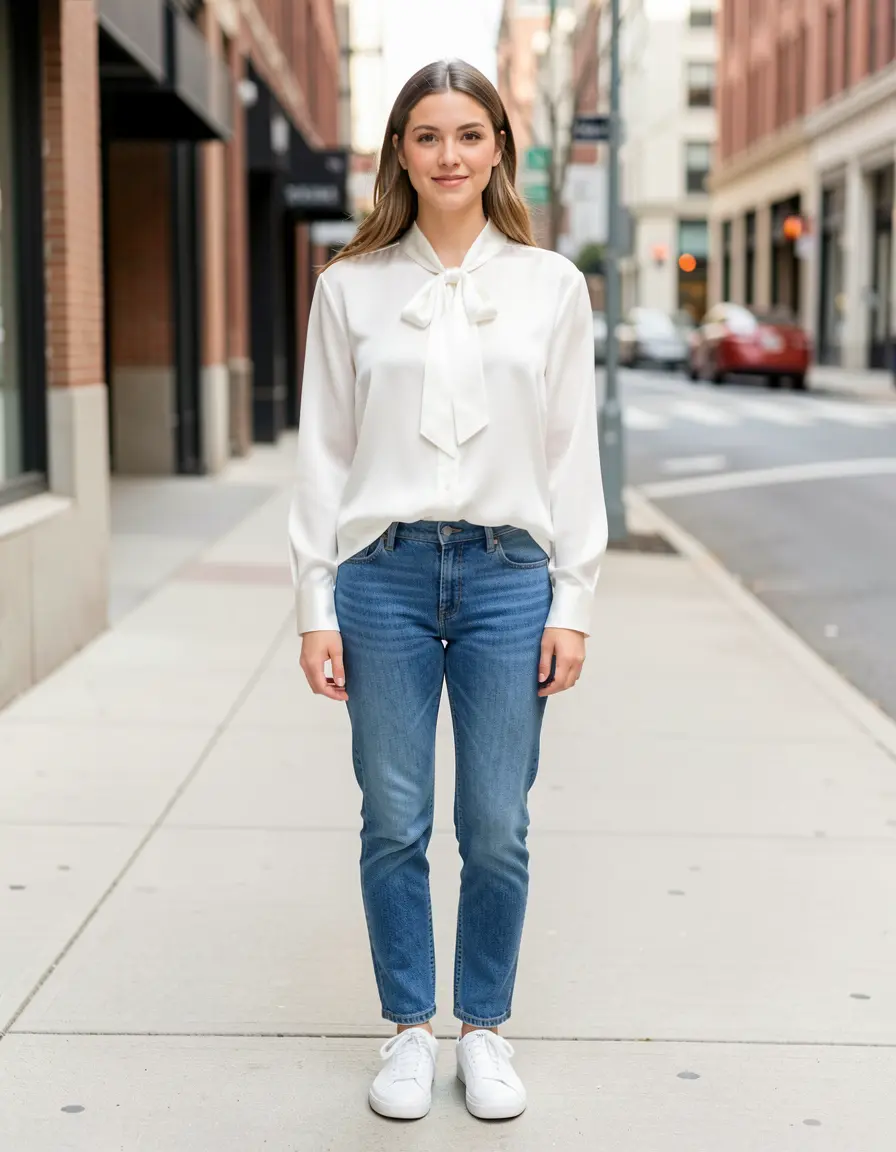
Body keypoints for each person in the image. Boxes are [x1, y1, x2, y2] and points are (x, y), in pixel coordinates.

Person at [288, 58, 608, 1121]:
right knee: (392, 814)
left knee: (495, 822)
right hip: (379, 575)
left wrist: (573, 600)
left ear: (499, 149)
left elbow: (569, 458)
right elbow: (321, 457)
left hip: (509, 576)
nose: (448, 155)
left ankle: (483, 1028)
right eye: (427, 136)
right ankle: (407, 1030)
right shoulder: (350, 288)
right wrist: (313, 602)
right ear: (398, 153)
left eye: (469, 134)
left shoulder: (551, 286)